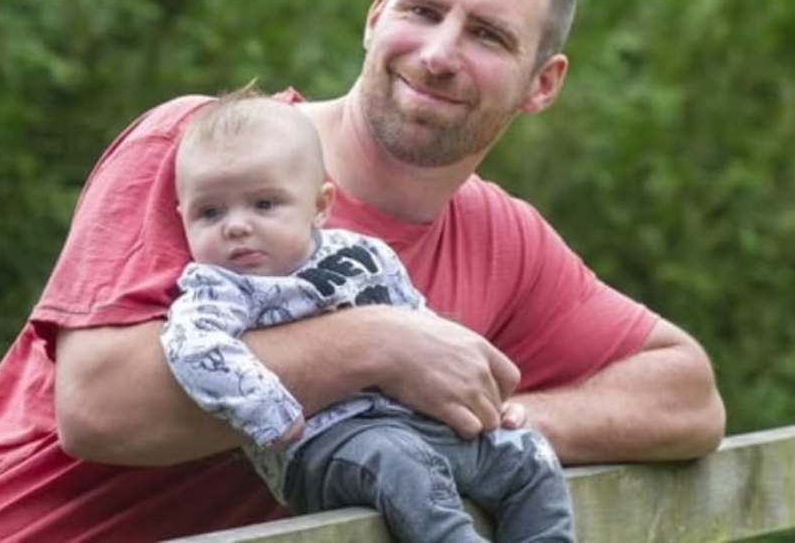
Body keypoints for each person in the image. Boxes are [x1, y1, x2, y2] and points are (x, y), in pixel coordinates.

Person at [0, 0, 725, 542]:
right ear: (376, 18)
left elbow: (687, 396)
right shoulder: (208, 150)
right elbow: (96, 411)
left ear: (542, 84)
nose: (438, 51)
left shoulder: (500, 236)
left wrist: (489, 421)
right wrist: (378, 346)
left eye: (486, 34)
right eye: (422, 10)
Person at [163, 92, 575, 542]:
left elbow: (423, 329)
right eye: (210, 211)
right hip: (324, 446)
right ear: (183, 218)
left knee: (527, 453)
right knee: (401, 464)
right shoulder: (218, 290)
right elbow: (194, 348)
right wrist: (270, 408)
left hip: (421, 423)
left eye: (264, 204)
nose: (236, 225)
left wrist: (478, 402)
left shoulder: (364, 255)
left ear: (319, 206)